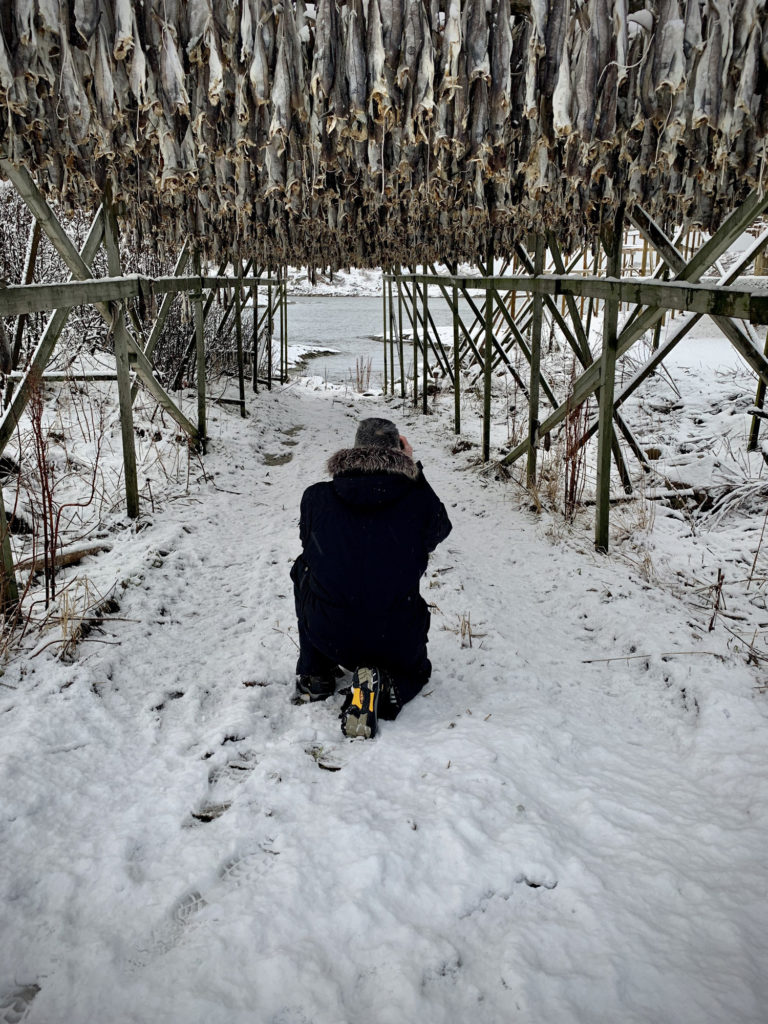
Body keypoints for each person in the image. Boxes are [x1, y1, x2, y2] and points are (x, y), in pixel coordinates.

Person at [290, 417, 452, 738]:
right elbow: (439, 529)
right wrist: (414, 472)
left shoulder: (316, 497)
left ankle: (315, 673)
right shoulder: (416, 500)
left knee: (302, 567)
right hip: (396, 638)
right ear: (399, 451)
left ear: (354, 450)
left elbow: (310, 546)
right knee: (417, 672)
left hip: (330, 637)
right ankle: (384, 683)